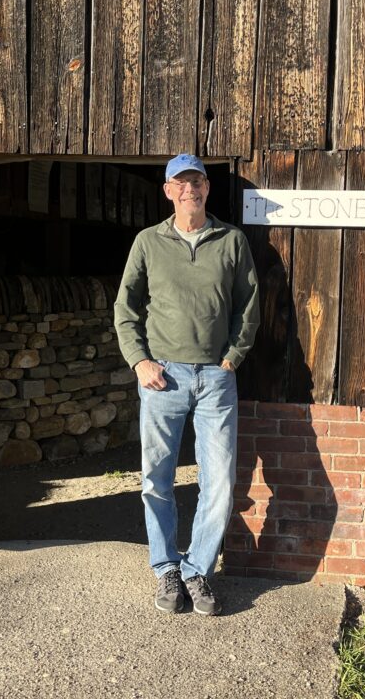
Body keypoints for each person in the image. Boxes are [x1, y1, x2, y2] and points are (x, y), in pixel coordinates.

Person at [114, 153, 260, 616]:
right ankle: (166, 569)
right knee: (157, 480)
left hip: (216, 377)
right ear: (168, 191)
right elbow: (125, 308)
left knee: (219, 482)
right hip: (162, 377)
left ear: (207, 188)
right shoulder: (148, 242)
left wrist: (233, 358)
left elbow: (249, 305)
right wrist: (139, 361)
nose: (189, 189)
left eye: (196, 181)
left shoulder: (231, 240)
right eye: (180, 183)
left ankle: (197, 569)